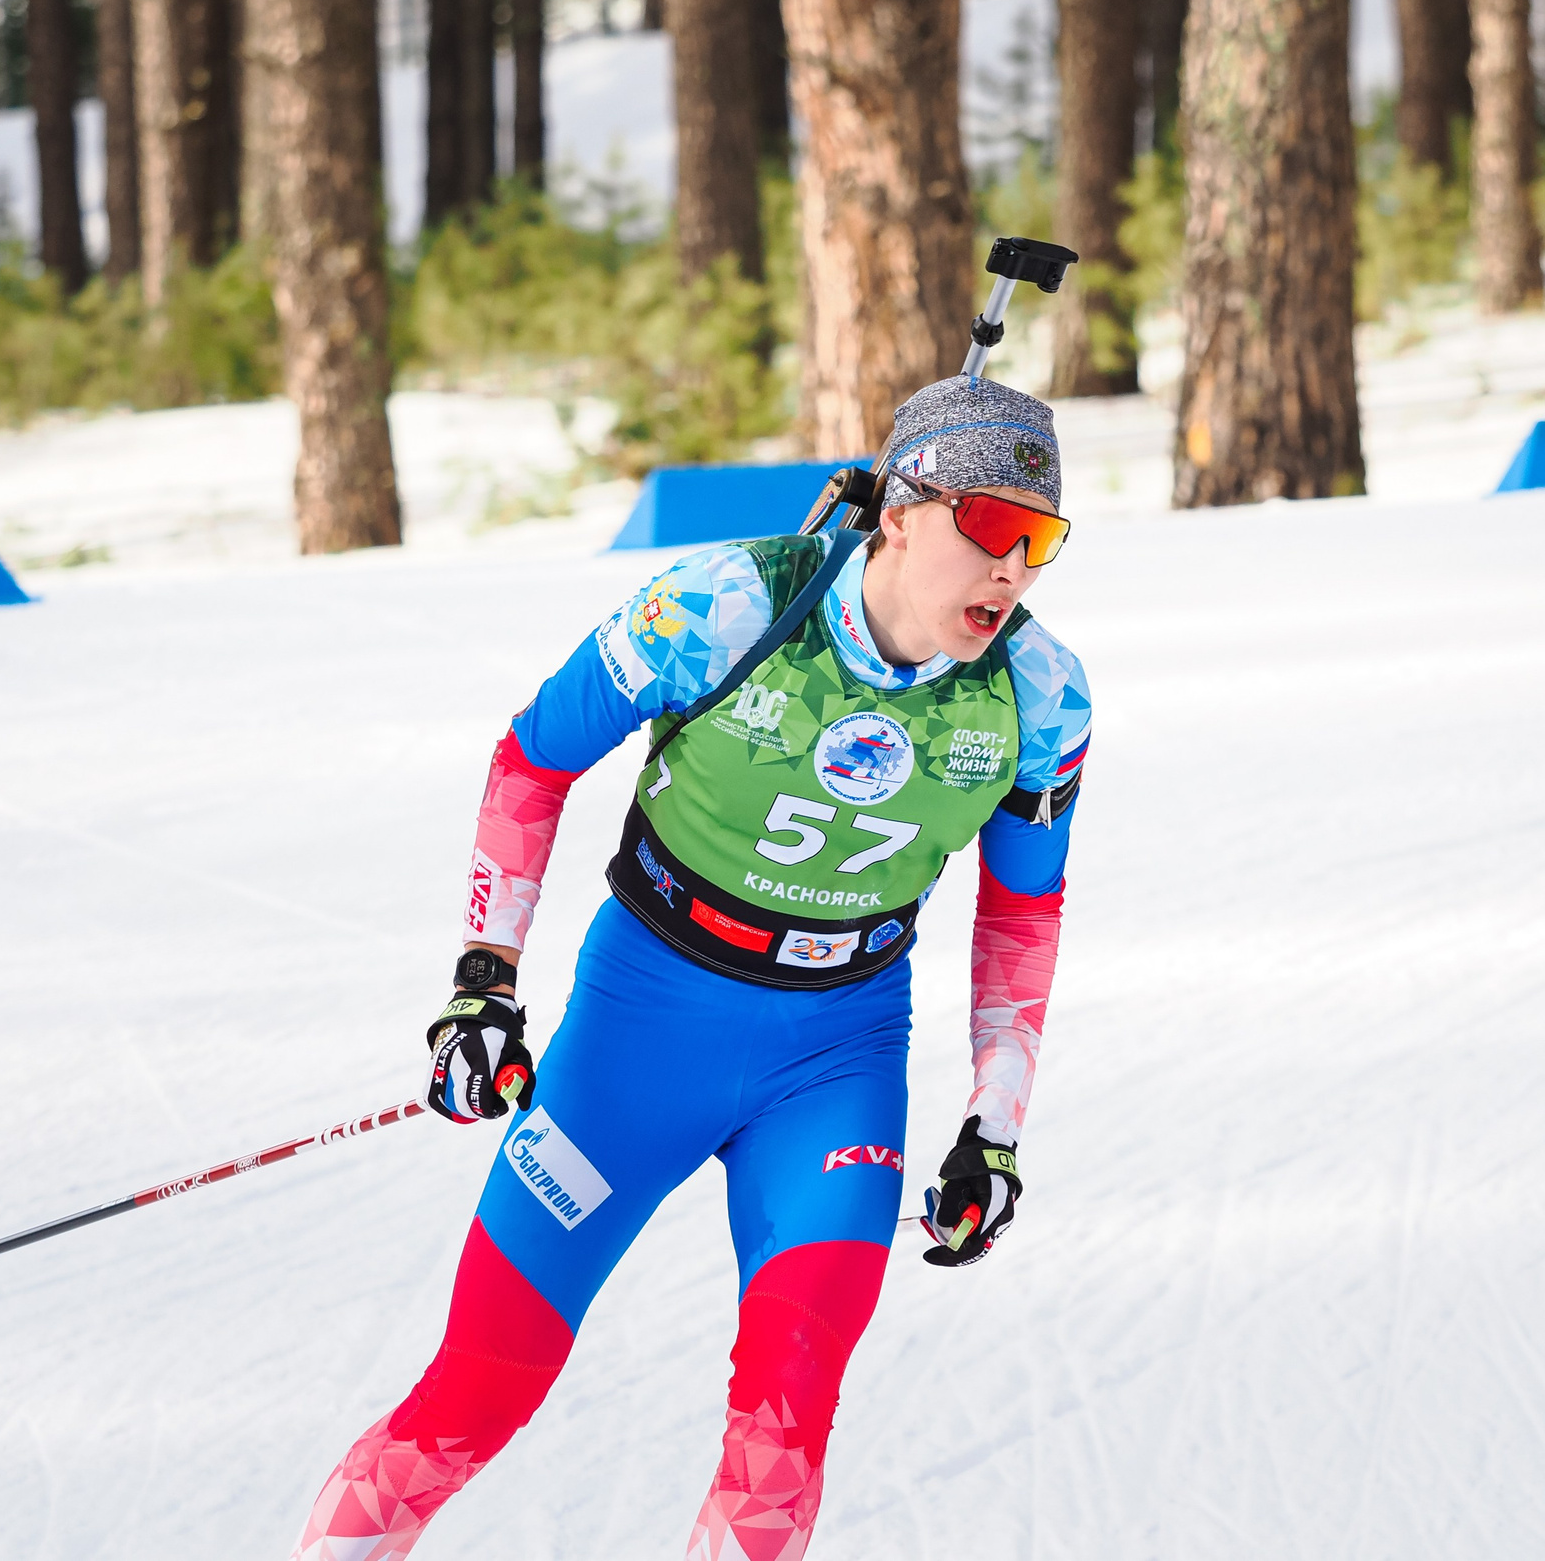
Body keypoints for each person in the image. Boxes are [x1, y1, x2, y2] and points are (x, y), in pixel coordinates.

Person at [291, 376, 1093, 1561]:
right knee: (479, 1388)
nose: (1012, 569)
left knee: (784, 1439)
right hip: (639, 1035)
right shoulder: (728, 605)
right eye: (988, 526)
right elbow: (532, 761)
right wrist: (482, 987)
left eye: (1039, 540)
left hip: (835, 1063)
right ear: (900, 513)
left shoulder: (1040, 695)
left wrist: (995, 1126)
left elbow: (1022, 915)